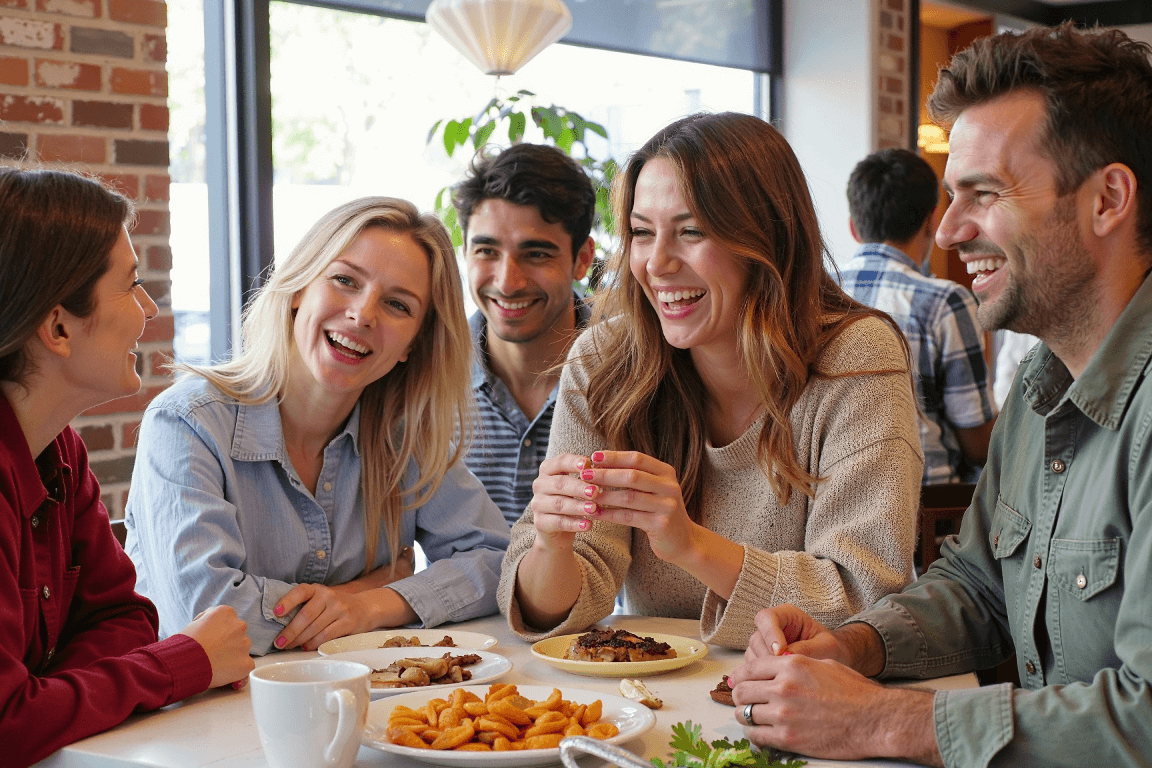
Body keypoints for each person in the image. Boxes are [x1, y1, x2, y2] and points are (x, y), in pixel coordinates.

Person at [730, 23, 1152, 768]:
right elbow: (981, 583)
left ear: (1108, 199)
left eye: (984, 193)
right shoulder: (1038, 381)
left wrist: (883, 723)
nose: (951, 232)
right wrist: (856, 647)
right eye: (951, 197)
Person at [497, 112, 922, 649]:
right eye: (641, 233)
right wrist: (552, 547)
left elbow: (865, 594)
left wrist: (691, 545)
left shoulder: (855, 357)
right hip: (649, 700)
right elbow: (550, 613)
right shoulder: (606, 360)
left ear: (766, 236)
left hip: (796, 696)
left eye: (692, 232)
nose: (656, 264)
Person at [125, 197, 510, 656]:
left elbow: (496, 562)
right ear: (297, 290)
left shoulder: (402, 438)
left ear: (413, 344)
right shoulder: (186, 424)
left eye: (397, 305)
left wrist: (373, 606)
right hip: (199, 717)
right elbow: (209, 613)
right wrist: (359, 592)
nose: (363, 315)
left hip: (349, 704)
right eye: (345, 280)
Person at [0, 168, 253, 767]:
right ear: (59, 327)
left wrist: (49, 696)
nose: (148, 307)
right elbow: (8, 728)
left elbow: (127, 616)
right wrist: (183, 662)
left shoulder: (59, 450)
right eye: (131, 285)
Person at [452, 144, 596, 526]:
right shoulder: (424, 377)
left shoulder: (638, 373)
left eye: (535, 254)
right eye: (486, 251)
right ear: (464, 251)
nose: (507, 282)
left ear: (582, 259)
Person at [840, 148, 997, 483]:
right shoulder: (946, 302)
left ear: (854, 228)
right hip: (929, 511)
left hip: (833, 504)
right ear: (932, 221)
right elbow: (978, 444)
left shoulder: (814, 294)